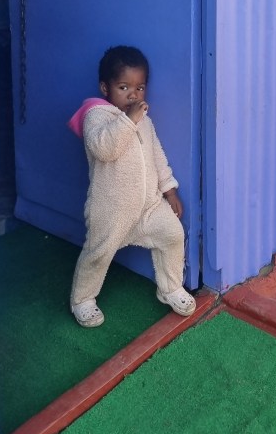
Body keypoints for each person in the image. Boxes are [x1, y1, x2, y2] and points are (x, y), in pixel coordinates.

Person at [66, 45, 196, 328]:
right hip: (111, 209)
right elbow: (104, 149)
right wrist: (129, 120)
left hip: (148, 205)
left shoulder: (144, 120)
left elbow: (157, 155)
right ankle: (82, 300)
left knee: (173, 234)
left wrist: (170, 190)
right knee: (98, 254)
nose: (133, 95)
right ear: (105, 88)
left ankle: (170, 288)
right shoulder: (96, 116)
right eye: (123, 87)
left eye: (140, 88)